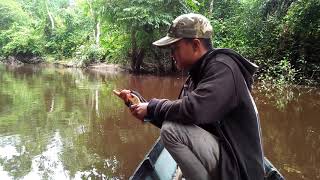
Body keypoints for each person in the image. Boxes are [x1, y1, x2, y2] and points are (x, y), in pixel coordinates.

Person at [118, 13, 265, 180]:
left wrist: (152, 107)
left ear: (195, 45)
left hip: (239, 169)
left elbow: (193, 110)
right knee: (172, 127)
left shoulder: (223, 68)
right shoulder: (196, 76)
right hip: (225, 158)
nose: (171, 55)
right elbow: (181, 117)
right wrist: (140, 105)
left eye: (175, 48)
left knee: (170, 131)